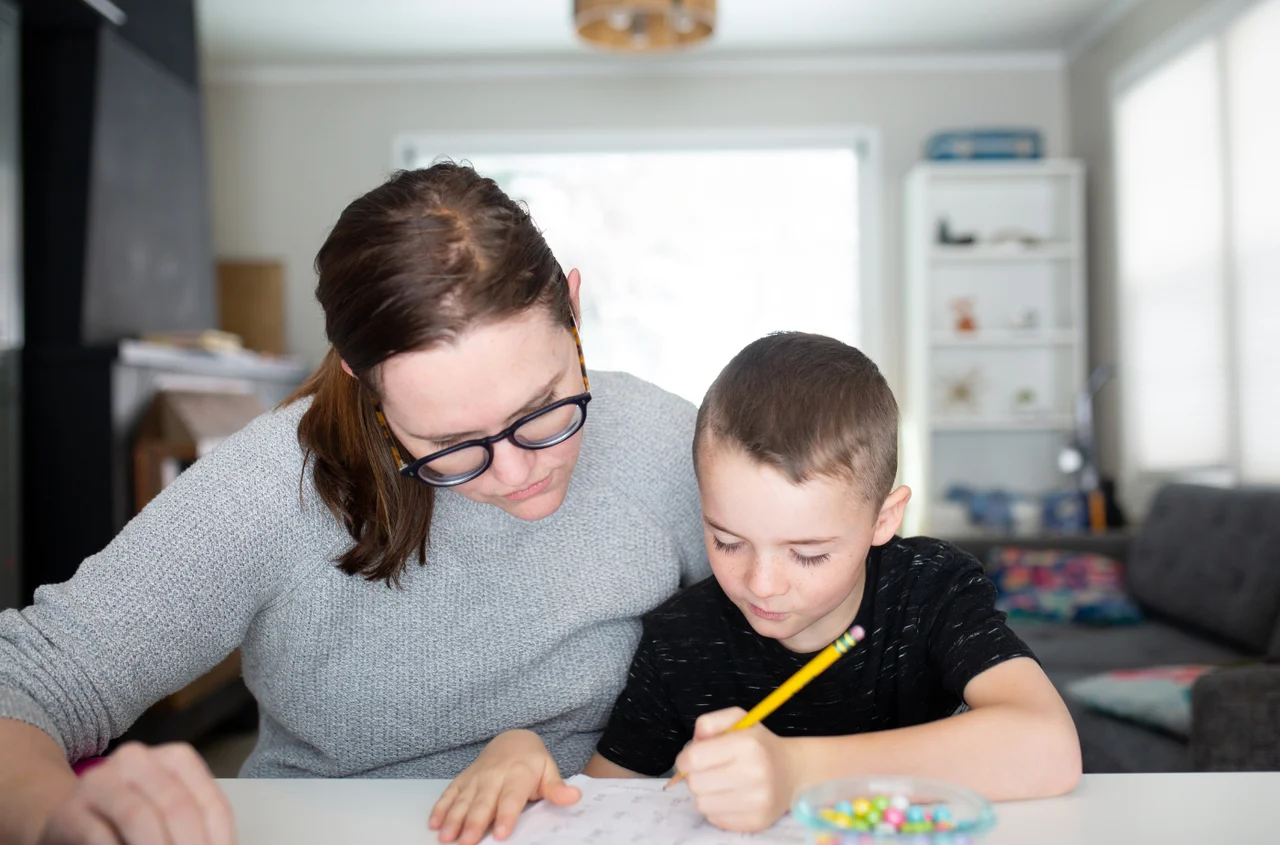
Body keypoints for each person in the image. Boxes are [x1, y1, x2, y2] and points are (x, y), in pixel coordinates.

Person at [0, 163, 709, 845]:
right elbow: (30, 681)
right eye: (451, 442)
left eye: (543, 409)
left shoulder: (665, 441)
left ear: (575, 311)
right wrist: (49, 818)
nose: (518, 469)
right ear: (360, 378)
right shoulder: (275, 482)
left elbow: (802, 638)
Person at [443, 332, 1081, 838]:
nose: (762, 584)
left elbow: (1049, 747)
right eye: (726, 541)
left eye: (808, 554)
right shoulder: (680, 643)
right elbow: (604, 803)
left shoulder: (932, 591)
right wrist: (520, 750)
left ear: (885, 519)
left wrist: (797, 770)